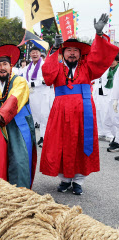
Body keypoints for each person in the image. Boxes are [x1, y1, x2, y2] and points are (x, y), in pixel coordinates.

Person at [40, 14, 119, 195]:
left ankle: (78, 180)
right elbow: (47, 75)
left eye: (76, 50)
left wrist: (99, 34)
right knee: (61, 142)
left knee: (82, 142)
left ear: (80, 53)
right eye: (69, 50)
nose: (73, 53)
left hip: (84, 111)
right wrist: (54, 48)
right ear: (64, 53)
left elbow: (100, 58)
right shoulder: (58, 66)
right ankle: (64, 179)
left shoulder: (87, 67)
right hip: (61, 111)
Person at [0, 44, 37, 189]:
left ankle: (21, 193)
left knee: (20, 160)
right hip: (0, 124)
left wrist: (0, 113)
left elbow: (14, 99)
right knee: (2, 159)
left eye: (5, 64)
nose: (2, 68)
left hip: (19, 124)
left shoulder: (19, 81)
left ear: (11, 66)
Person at [25, 46, 54, 147]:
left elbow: (47, 80)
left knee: (44, 116)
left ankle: (44, 138)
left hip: (43, 94)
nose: (34, 54)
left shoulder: (44, 64)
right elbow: (24, 78)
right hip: (33, 95)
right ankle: (33, 138)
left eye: (36, 52)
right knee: (34, 117)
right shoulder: (28, 67)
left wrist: (33, 84)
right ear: (30, 54)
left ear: (40, 54)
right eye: (32, 52)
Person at [104, 54, 119, 152]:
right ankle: (116, 138)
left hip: (115, 97)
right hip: (112, 96)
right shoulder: (109, 70)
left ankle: (117, 141)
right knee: (112, 119)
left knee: (116, 120)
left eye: (115, 60)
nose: (112, 62)